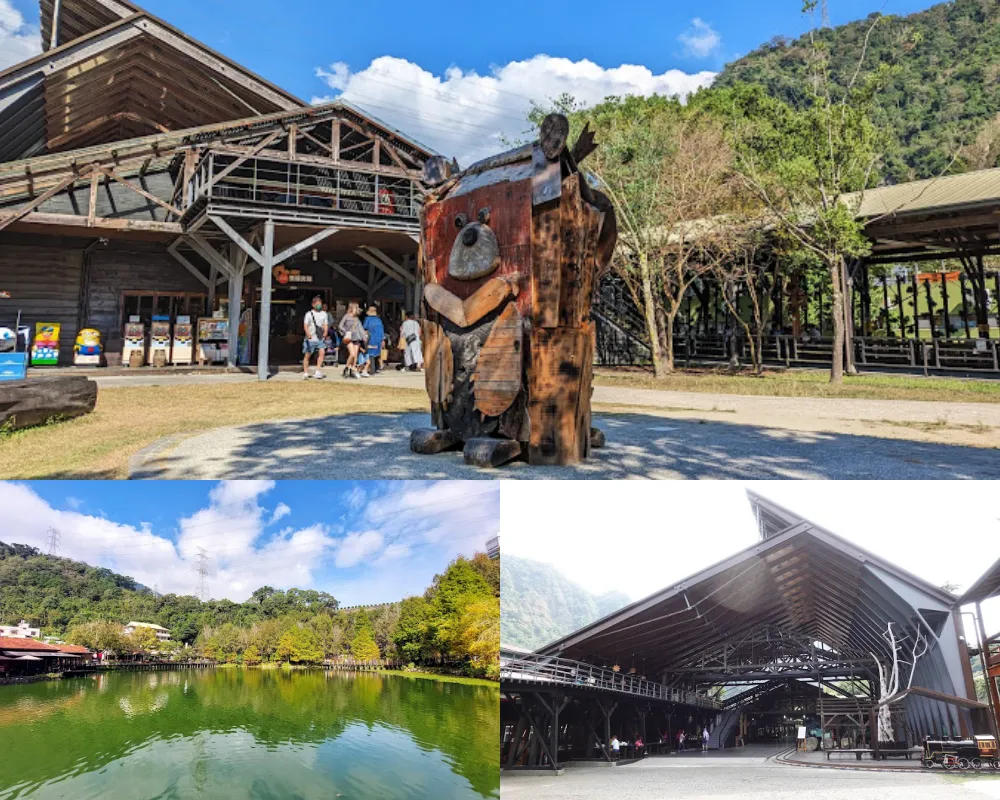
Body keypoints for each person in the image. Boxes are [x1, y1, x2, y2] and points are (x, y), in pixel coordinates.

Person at [301, 295, 328, 379]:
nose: (319, 305)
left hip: (320, 337)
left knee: (322, 353)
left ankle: (318, 370)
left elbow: (325, 324)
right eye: (317, 303)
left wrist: (325, 332)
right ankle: (305, 372)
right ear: (313, 304)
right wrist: (308, 333)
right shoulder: (309, 314)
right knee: (307, 355)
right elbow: (305, 325)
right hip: (310, 338)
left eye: (320, 303)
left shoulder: (324, 314)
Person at [338, 302, 366, 379]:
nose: (357, 310)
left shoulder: (357, 319)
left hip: (357, 337)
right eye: (355, 308)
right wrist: (345, 332)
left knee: (355, 356)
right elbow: (340, 326)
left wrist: (364, 337)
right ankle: (346, 368)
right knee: (352, 354)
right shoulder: (346, 316)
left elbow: (361, 329)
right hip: (349, 338)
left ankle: (353, 369)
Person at [362, 305, 385, 375]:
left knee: (371, 353)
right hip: (379, 338)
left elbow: (364, 328)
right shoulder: (379, 320)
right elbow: (382, 330)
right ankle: (377, 368)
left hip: (371, 337)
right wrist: (383, 339)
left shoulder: (367, 319)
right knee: (377, 353)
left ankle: (372, 369)